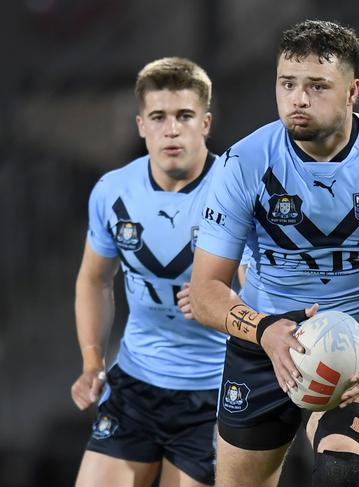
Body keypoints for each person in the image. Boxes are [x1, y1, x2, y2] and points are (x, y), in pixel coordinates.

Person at [189, 19, 359, 487]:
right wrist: (266, 331)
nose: (298, 98)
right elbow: (206, 289)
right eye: (287, 84)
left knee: (338, 471)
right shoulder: (243, 164)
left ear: (353, 90)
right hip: (265, 342)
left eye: (317, 86)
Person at [70, 57, 227, 487]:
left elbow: (269, 285)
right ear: (141, 125)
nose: (171, 129)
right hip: (135, 385)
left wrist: (221, 301)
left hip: (213, 393)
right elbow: (94, 278)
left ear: (206, 123)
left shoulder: (236, 190)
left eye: (184, 116)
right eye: (158, 117)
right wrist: (91, 362)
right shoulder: (113, 191)